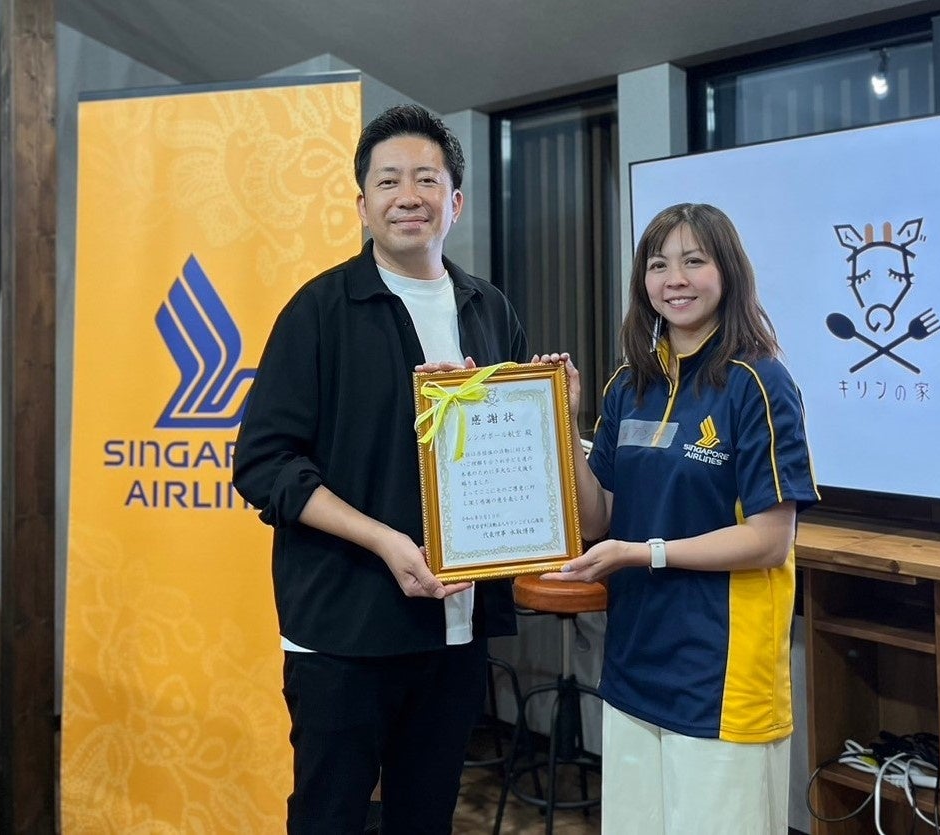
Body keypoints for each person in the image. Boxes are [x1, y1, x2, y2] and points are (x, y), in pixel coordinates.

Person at [233, 104, 528, 834]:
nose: (408, 196)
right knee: (329, 816)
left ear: (455, 202)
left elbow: (513, 453)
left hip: (454, 627)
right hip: (344, 627)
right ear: (362, 204)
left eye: (427, 179)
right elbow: (265, 464)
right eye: (388, 180)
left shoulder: (488, 309)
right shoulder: (320, 309)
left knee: (425, 816)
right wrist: (385, 541)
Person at [538, 202, 820, 834]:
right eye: (659, 265)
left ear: (728, 272)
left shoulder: (759, 382)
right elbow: (598, 518)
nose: (675, 280)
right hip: (635, 661)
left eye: (694, 261)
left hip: (721, 673)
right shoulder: (628, 385)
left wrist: (645, 553)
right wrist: (563, 421)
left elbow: (769, 541)